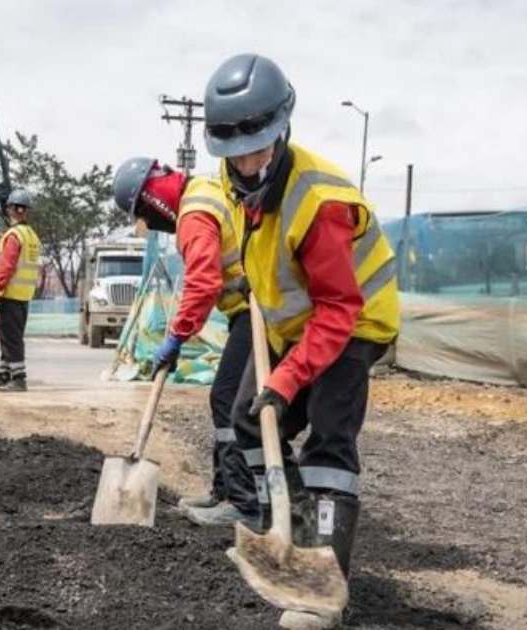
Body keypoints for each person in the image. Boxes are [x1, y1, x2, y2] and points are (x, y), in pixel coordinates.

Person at [204, 53, 400, 626]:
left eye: (259, 148)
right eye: (234, 152)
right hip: (294, 325)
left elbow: (340, 307)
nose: (247, 162)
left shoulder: (320, 201)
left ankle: (323, 589)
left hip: (354, 324)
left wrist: (288, 379)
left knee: (328, 447)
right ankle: (281, 533)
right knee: (246, 418)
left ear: (281, 131)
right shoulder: (233, 182)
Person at [111, 157, 257, 526]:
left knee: (228, 398)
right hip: (252, 304)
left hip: (260, 310)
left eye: (143, 211)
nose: (150, 221)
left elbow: (202, 281)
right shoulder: (205, 190)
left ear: (152, 197)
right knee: (227, 396)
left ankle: (243, 502)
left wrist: (177, 337)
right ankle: (225, 491)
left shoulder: (193, 212)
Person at [0, 188, 41, 392]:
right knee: (8, 337)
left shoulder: (13, 236)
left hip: (9, 295)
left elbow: (6, 267)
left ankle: (19, 379)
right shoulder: (32, 236)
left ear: (10, 209)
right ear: (26, 210)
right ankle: (4, 375)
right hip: (24, 297)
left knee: (11, 339)